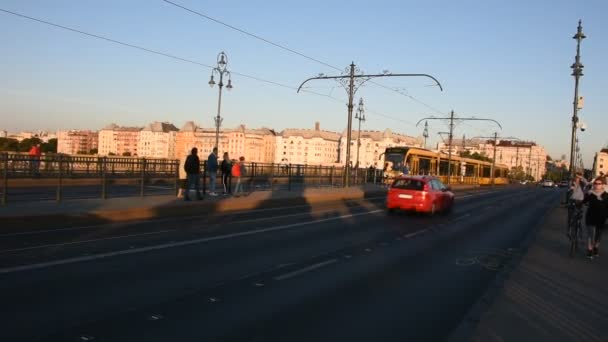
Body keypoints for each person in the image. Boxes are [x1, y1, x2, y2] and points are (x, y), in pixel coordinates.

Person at [582, 177, 608, 259]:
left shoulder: (606, 195)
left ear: (603, 185)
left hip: (602, 218)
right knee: (591, 234)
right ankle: (590, 250)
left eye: (599, 184)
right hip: (590, 216)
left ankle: (596, 247)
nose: (596, 185)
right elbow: (583, 201)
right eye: (595, 183)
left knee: (598, 235)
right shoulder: (591, 194)